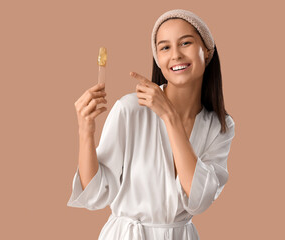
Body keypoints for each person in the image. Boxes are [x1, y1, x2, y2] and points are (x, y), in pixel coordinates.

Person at [67, 9, 236, 240]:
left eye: (185, 43)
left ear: (206, 51)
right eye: (165, 47)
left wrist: (169, 116)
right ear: (158, 58)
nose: (175, 55)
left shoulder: (219, 126)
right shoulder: (130, 109)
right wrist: (86, 132)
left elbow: (199, 199)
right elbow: (96, 195)